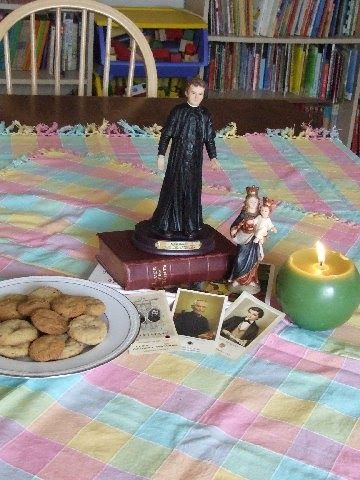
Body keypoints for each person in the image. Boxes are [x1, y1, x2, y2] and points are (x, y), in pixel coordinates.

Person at [150, 77, 218, 238]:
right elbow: (166, 134)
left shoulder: (205, 115)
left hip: (195, 161)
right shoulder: (178, 111)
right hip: (177, 159)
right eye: (193, 93)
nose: (196, 97)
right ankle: (167, 224)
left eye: (200, 94)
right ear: (187, 93)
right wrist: (161, 155)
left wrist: (213, 157)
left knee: (192, 192)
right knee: (173, 189)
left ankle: (190, 226)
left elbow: (209, 138)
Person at [228, 186, 261, 293]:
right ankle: (237, 279)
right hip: (243, 242)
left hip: (254, 242)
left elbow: (263, 226)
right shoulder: (244, 214)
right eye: (251, 201)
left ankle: (250, 280)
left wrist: (262, 235)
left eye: (255, 201)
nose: (253, 203)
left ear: (258, 202)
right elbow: (236, 224)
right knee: (239, 260)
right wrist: (234, 229)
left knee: (253, 261)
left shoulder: (259, 215)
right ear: (247, 202)